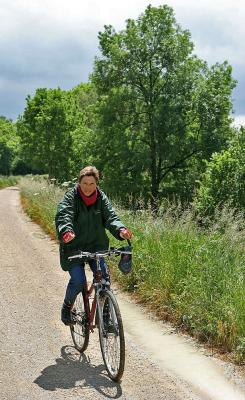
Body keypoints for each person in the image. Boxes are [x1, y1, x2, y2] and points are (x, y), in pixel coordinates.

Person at [55, 165, 132, 325]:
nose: (88, 188)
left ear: (96, 184)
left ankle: (106, 318)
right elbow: (64, 215)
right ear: (79, 182)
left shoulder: (101, 198)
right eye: (84, 183)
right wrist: (66, 232)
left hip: (96, 246)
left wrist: (121, 230)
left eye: (91, 184)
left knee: (104, 279)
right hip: (74, 247)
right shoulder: (71, 197)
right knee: (78, 280)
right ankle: (66, 307)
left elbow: (111, 217)